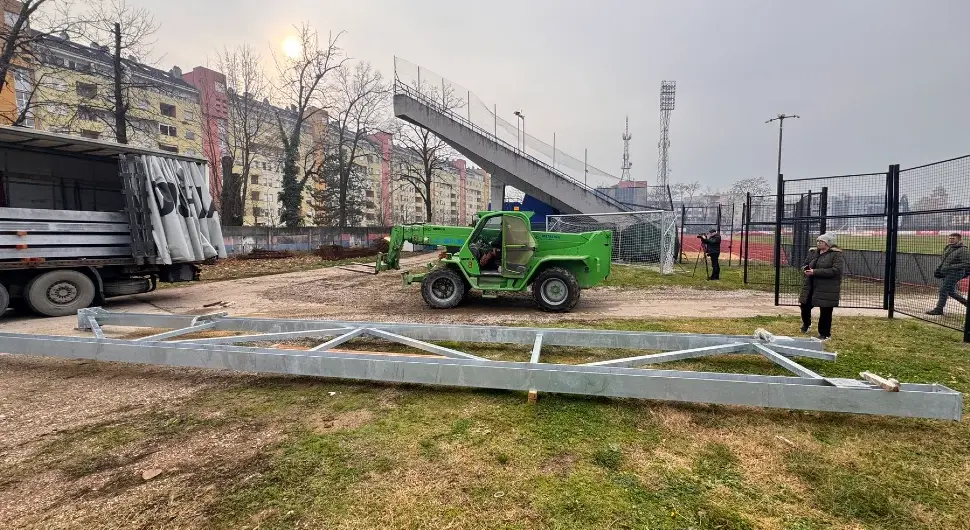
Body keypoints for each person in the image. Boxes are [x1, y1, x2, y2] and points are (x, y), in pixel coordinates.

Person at [799, 233, 845, 340]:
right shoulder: (813, 252)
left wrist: (815, 272)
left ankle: (824, 333)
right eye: (818, 241)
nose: (819, 243)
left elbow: (836, 271)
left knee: (825, 311)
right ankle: (807, 324)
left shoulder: (836, 255)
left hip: (827, 288)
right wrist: (805, 270)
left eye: (821, 242)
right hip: (811, 286)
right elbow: (805, 264)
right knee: (804, 305)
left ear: (828, 243)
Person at [926, 233, 969, 316]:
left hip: (956, 273)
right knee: (950, 292)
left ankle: (938, 309)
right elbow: (944, 260)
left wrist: (951, 266)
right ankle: (967, 303)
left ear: (959, 239)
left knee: (943, 290)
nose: (950, 240)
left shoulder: (963, 250)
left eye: (953, 238)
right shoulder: (948, 247)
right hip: (946, 272)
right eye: (950, 238)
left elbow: (967, 263)